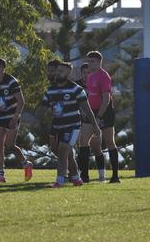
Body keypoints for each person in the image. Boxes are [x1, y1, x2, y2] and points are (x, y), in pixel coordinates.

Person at [40, 61, 100, 188]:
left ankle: (59, 181)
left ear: (68, 73)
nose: (58, 73)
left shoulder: (76, 89)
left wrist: (95, 126)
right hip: (57, 127)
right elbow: (42, 109)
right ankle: (76, 178)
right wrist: (32, 118)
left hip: (73, 127)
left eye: (61, 71)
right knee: (68, 154)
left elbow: (87, 110)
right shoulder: (50, 90)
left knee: (62, 151)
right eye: (57, 71)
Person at [0, 58, 33, 183]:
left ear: (2, 68)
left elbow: (21, 101)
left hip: (11, 117)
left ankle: (26, 164)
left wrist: (15, 117)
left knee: (10, 146)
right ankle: (1, 176)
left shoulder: (12, 82)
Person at [85, 51, 120, 183]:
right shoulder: (90, 76)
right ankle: (87, 176)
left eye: (92, 61)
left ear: (100, 62)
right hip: (92, 112)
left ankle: (115, 176)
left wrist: (99, 116)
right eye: (89, 61)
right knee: (88, 142)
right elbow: (90, 96)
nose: (90, 64)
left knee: (109, 141)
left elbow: (106, 99)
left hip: (105, 113)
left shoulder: (104, 76)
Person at [76, 61, 106, 183]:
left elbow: (103, 100)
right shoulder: (76, 86)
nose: (86, 75)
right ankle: (83, 175)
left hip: (94, 119)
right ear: (81, 73)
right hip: (78, 120)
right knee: (82, 146)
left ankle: (102, 174)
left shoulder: (96, 85)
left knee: (96, 147)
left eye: (89, 73)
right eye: (84, 73)